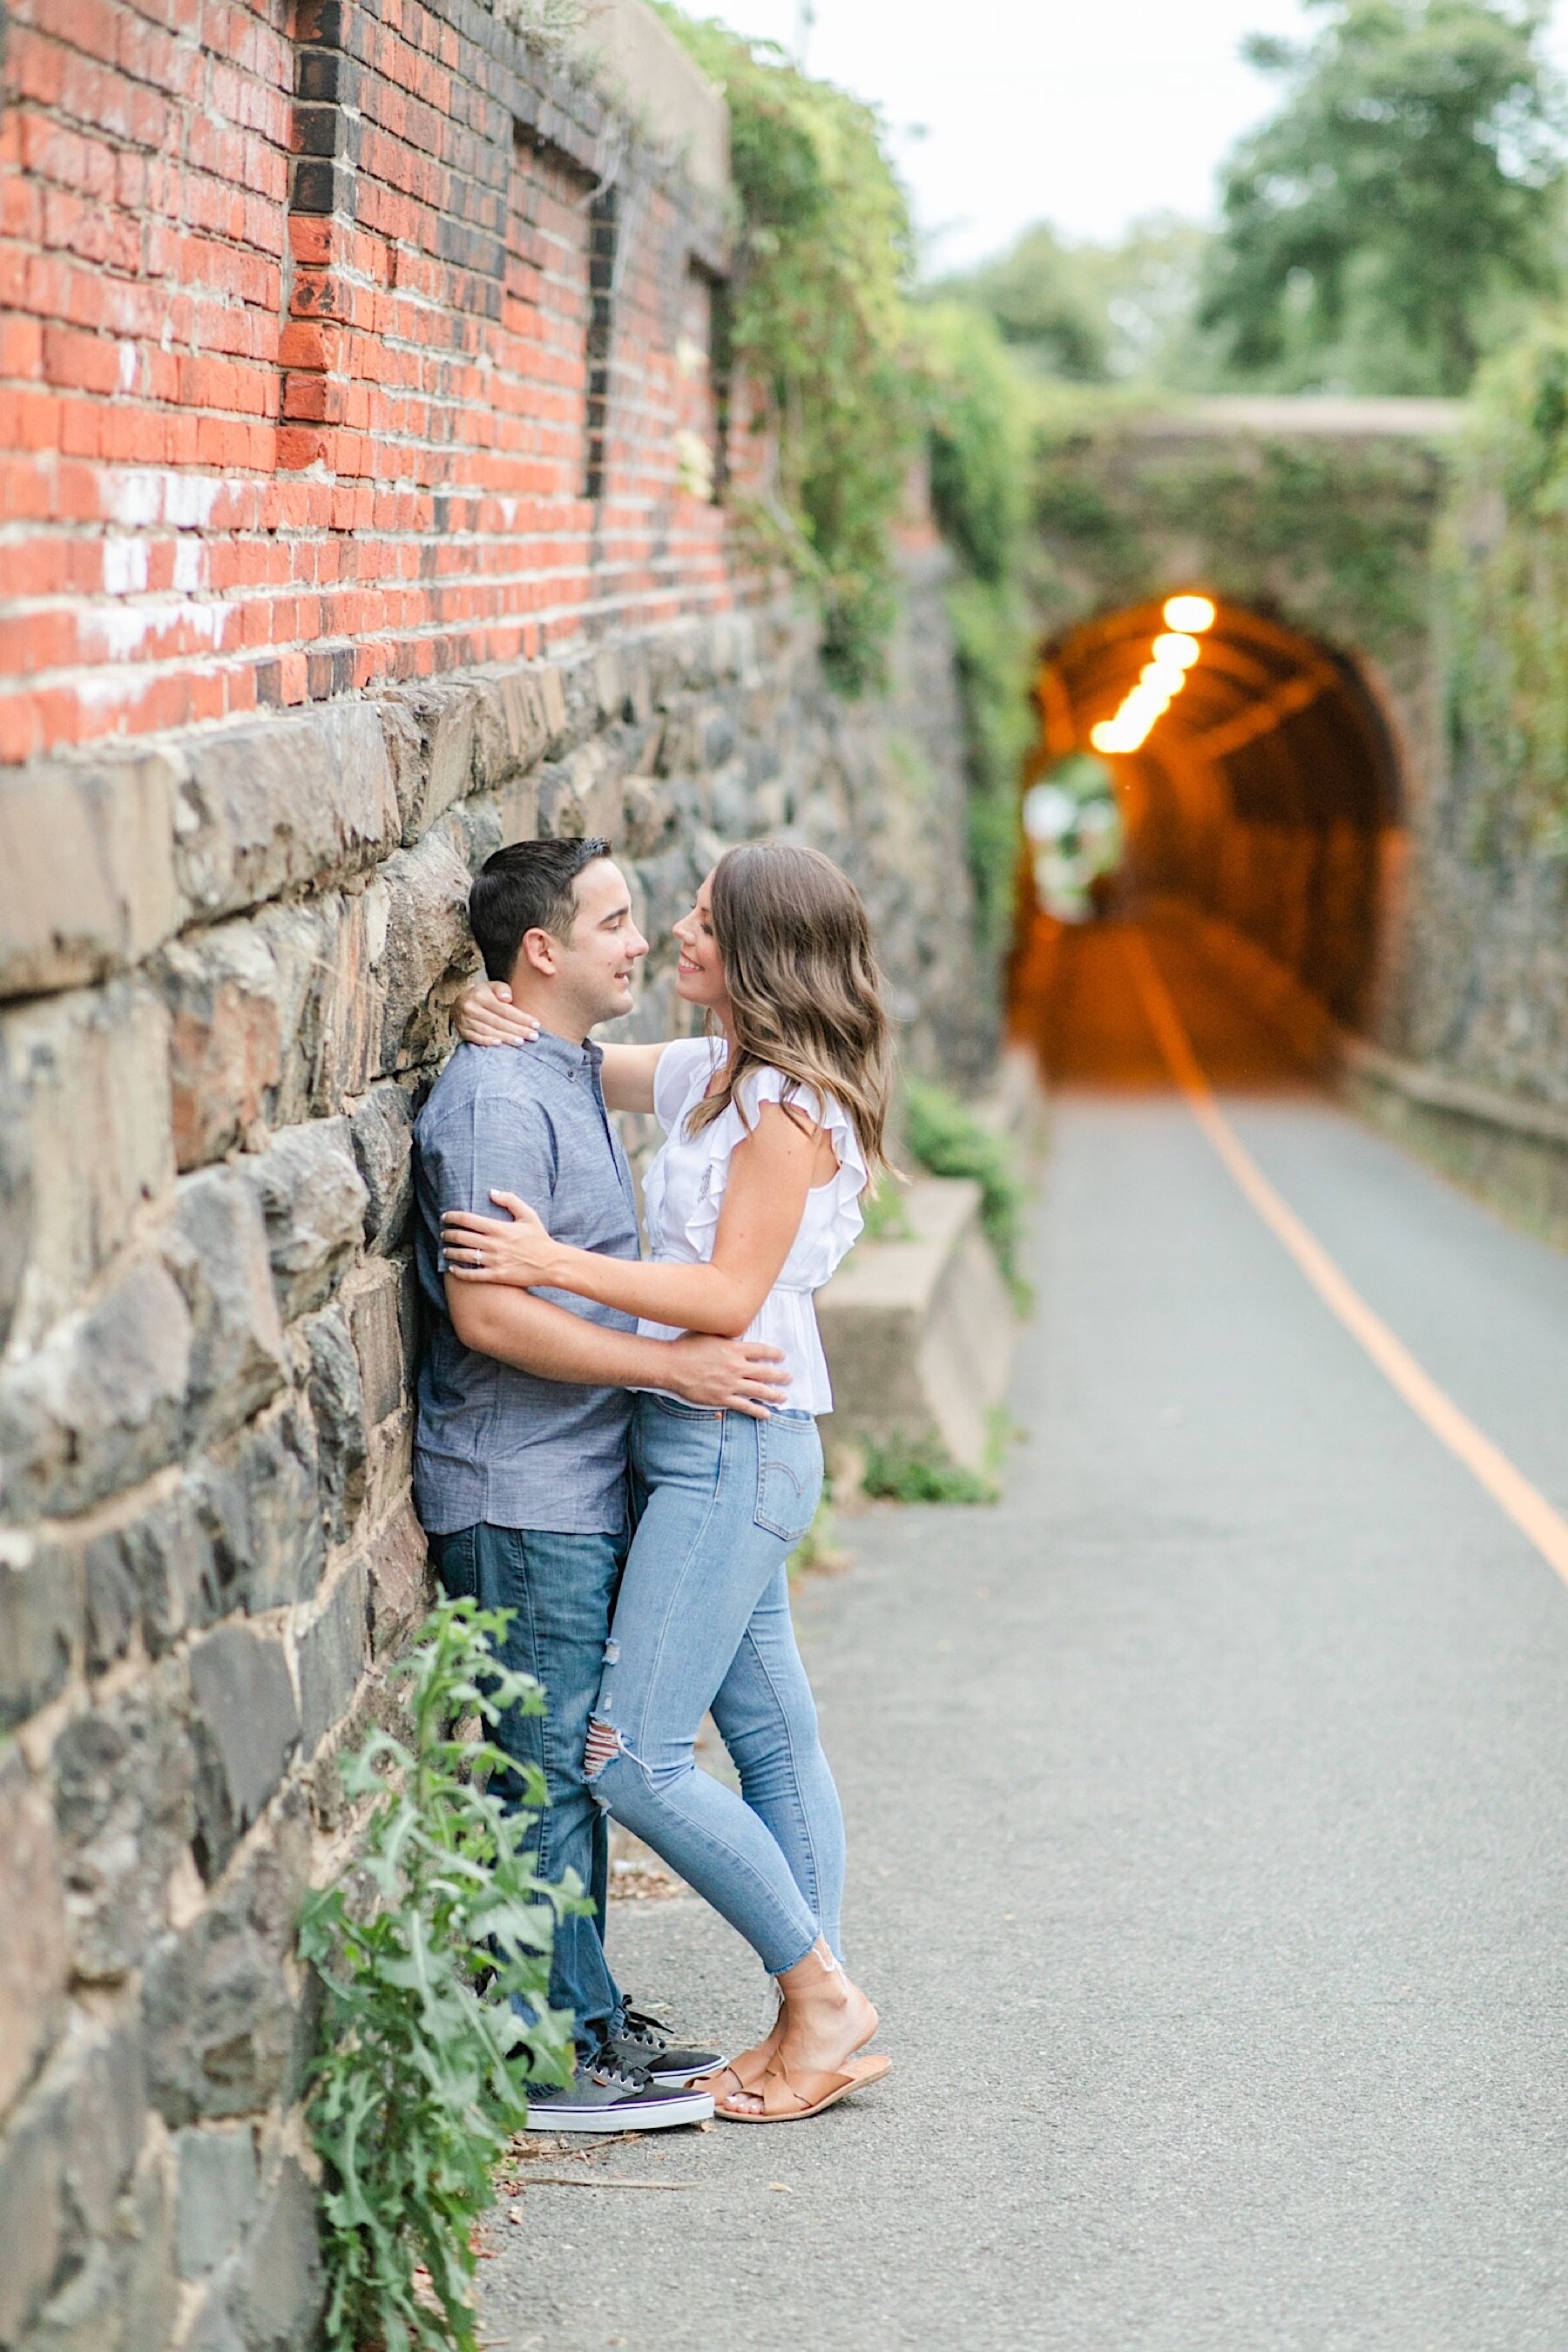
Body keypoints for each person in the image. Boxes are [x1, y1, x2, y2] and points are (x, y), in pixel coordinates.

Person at [443, 841, 893, 2125]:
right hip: (696, 1444)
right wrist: (484, 1009)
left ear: (756, 953)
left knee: (631, 1757)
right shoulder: (711, 1070)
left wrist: (547, 1262)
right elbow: (571, 1054)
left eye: (698, 922)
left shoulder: (790, 1111)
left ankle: (818, 1994)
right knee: (769, 1734)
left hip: (736, 1440)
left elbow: (722, 1298)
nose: (673, 938)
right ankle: (815, 2017)